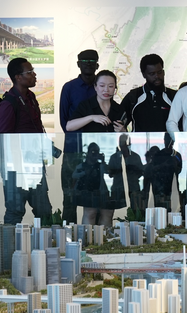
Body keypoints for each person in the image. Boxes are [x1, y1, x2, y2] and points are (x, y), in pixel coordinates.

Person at [59, 49, 100, 224]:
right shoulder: (69, 88)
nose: (89, 63)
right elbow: (64, 122)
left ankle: (97, 238)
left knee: (97, 197)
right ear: (78, 64)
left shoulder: (101, 87)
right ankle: (68, 238)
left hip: (96, 153)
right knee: (70, 196)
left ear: (97, 65)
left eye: (92, 60)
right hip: (73, 151)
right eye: (85, 60)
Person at [120, 54, 177, 132]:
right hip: (138, 144)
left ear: (163, 72)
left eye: (159, 72)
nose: (157, 76)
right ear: (144, 75)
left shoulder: (174, 96)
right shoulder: (133, 97)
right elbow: (119, 123)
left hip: (168, 144)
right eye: (152, 74)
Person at [0, 57, 44, 133]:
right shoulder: (8, 104)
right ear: (18, 77)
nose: (34, 74)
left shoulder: (31, 96)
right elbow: (2, 138)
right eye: (29, 72)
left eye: (33, 70)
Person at [74, 143, 113, 226]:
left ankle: (105, 236)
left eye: (96, 152)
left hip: (100, 192)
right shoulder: (82, 166)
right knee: (90, 213)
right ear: (88, 153)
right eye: (93, 152)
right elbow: (74, 176)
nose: (94, 155)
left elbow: (110, 173)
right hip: (87, 192)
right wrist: (84, 173)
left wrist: (103, 161)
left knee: (106, 213)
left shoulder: (100, 166)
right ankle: (88, 236)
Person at [108, 134, 145, 215]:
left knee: (135, 212)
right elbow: (110, 174)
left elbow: (141, 172)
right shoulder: (114, 157)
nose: (124, 145)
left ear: (129, 144)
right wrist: (120, 170)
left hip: (133, 189)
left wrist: (133, 169)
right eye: (122, 143)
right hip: (118, 190)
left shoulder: (135, 157)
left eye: (126, 143)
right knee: (116, 213)